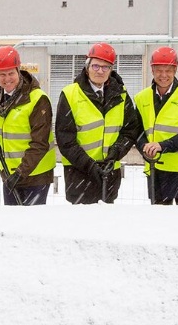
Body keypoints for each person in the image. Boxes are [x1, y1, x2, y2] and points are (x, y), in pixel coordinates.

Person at [55, 42, 142, 204]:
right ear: (87, 66)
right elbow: (65, 139)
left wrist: (115, 154)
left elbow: (130, 131)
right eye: (95, 66)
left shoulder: (121, 95)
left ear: (111, 70)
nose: (100, 71)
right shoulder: (70, 94)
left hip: (110, 172)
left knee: (106, 225)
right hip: (79, 172)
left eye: (105, 67)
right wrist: (89, 165)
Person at [134, 46, 178, 205]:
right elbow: (137, 132)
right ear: (152, 69)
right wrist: (144, 148)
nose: (164, 75)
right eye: (159, 70)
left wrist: (162, 146)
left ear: (175, 69)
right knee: (159, 224)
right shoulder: (141, 98)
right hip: (156, 170)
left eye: (168, 70)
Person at [0, 46, 54, 206]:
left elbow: (40, 143)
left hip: (35, 175)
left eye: (11, 73)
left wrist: (20, 173)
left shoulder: (37, 99)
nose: (7, 79)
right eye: (2, 74)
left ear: (18, 70)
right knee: (11, 224)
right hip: (10, 174)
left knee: (29, 225)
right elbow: (11, 124)